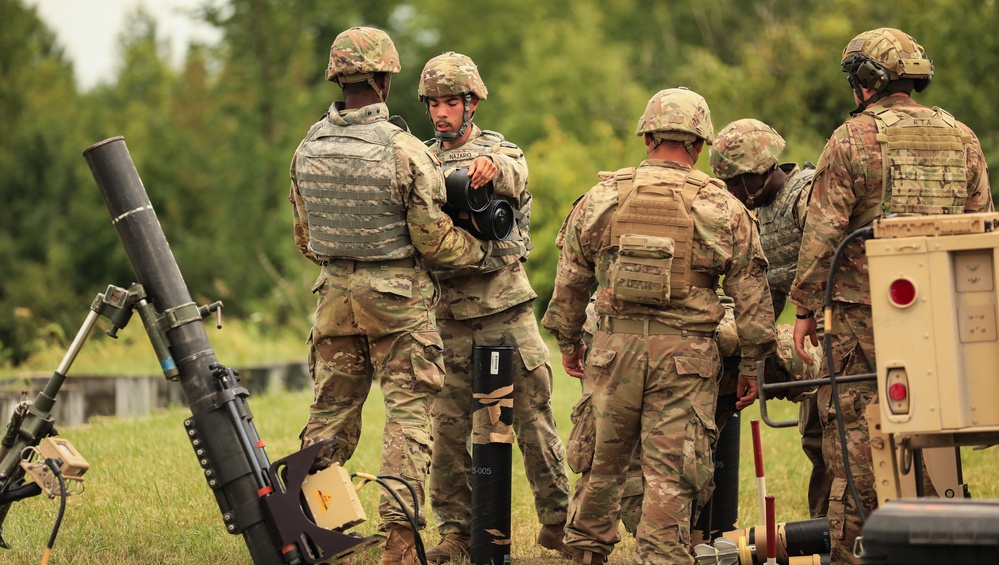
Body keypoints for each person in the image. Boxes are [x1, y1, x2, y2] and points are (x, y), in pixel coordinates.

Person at [542, 87, 776, 565]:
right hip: (686, 360)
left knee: (601, 464)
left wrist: (569, 341)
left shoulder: (603, 195)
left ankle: (585, 551)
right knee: (671, 471)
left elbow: (570, 280)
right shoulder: (724, 208)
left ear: (648, 137)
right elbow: (752, 295)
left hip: (612, 351)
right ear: (699, 146)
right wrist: (753, 363)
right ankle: (662, 556)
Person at [288, 27, 491, 565]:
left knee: (329, 413)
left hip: (333, 299)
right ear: (383, 79)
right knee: (407, 419)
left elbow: (306, 238)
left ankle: (306, 530)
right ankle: (399, 546)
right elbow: (434, 240)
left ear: (338, 77)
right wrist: (481, 254)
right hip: (399, 302)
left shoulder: (308, 146)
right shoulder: (402, 149)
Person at [789, 27, 993, 564]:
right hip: (943, 318)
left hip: (863, 319)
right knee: (935, 434)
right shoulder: (963, 137)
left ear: (864, 81)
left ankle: (855, 550)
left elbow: (823, 234)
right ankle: (943, 544)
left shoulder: (851, 139)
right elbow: (979, 232)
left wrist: (806, 307)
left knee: (856, 438)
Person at [415, 51, 571, 563]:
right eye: (434, 103)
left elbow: (516, 174)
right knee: (448, 428)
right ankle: (457, 531)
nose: (442, 113)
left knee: (534, 420)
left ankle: (557, 524)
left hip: (506, 310)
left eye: (451, 102)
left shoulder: (500, 150)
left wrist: (492, 170)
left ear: (472, 103)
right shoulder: (417, 158)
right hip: (448, 317)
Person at [708, 118, 831, 519]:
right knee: (817, 438)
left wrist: (806, 311)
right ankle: (828, 530)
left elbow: (827, 257)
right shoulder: (754, 212)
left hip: (835, 329)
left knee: (833, 437)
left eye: (731, 182)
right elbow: (760, 290)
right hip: (807, 334)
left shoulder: (806, 195)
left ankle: (837, 531)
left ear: (755, 174)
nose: (728, 192)